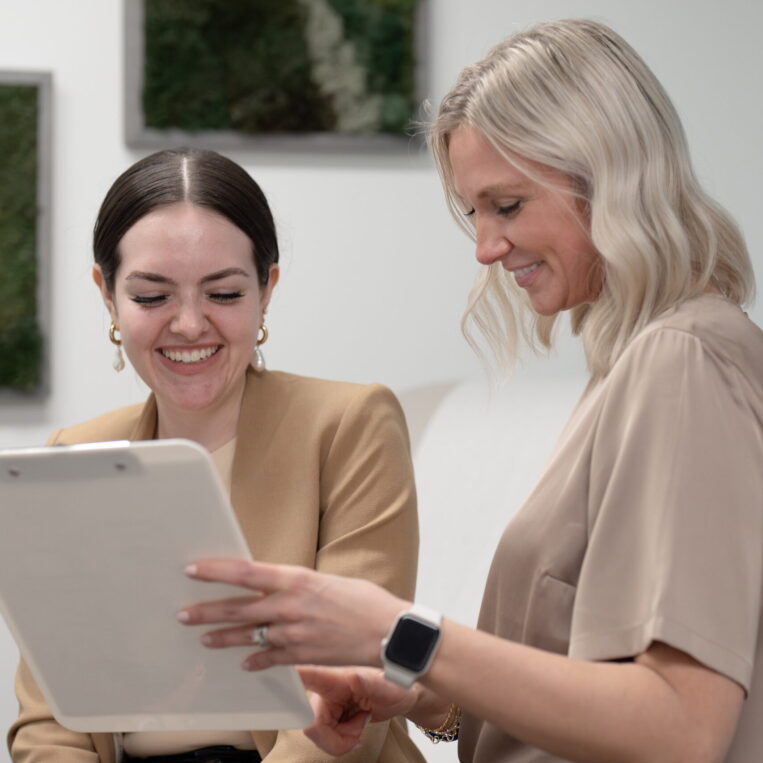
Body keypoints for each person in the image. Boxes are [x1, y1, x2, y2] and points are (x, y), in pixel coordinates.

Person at [175, 19, 763, 763]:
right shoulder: (637, 366)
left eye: (507, 205)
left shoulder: (684, 361)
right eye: (473, 213)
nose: (484, 248)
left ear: (609, 174)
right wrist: (422, 688)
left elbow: (679, 727)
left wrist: (400, 631)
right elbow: (584, 688)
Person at [7, 148, 426, 763]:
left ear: (267, 288)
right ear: (107, 296)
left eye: (224, 293)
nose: (188, 324)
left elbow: (345, 705)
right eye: (152, 297)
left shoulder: (348, 425)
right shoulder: (76, 454)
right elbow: (48, 724)